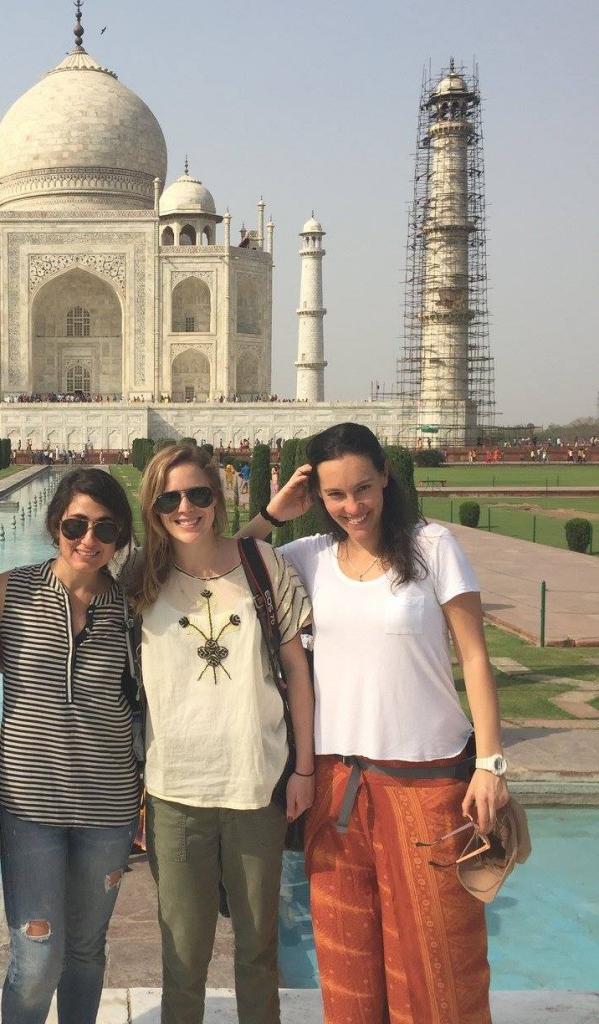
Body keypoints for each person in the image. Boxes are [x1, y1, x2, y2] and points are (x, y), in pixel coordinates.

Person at [241, 422, 508, 1024]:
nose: (351, 507)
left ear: (386, 476)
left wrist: (490, 764)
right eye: (335, 495)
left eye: (363, 488)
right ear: (318, 496)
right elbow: (226, 565)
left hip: (429, 784)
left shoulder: (431, 545)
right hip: (337, 787)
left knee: (441, 966)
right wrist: (274, 513)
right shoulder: (309, 558)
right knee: (348, 966)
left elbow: (474, 655)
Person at [125, 444, 314, 1024]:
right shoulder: (136, 575)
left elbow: (297, 674)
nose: (186, 507)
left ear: (218, 496)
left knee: (258, 952)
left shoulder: (263, 565)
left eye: (198, 494)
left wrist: (304, 769)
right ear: (153, 507)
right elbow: (69, 570)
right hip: (175, 793)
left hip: (254, 786)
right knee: (183, 957)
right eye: (170, 498)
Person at [0, 468, 140, 1024]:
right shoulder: (8, 592)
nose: (88, 540)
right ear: (55, 525)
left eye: (106, 528)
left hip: (108, 808)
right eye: (76, 524)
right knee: (37, 956)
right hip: (30, 808)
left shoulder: (132, 607)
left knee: (85, 953)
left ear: (121, 537)